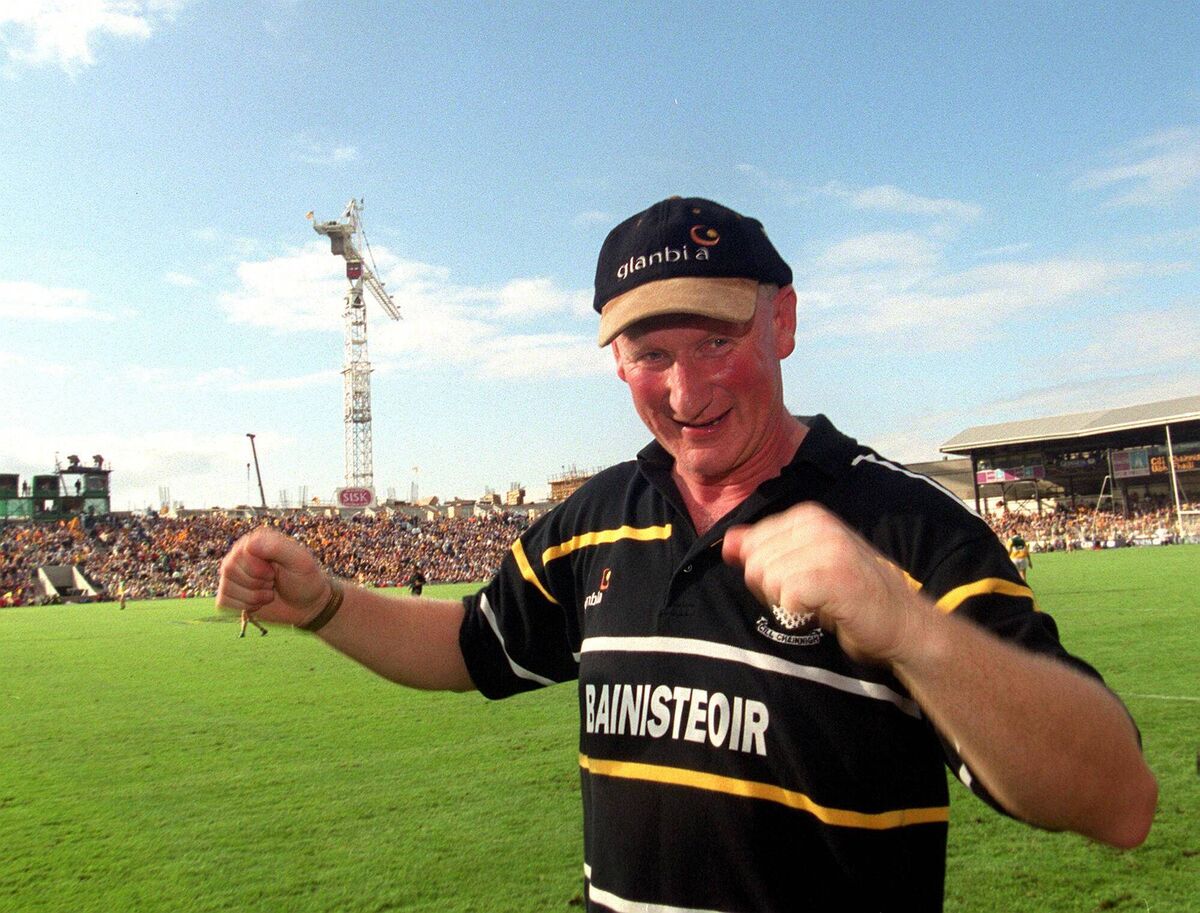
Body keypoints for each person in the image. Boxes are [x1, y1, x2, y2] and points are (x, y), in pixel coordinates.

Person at [217, 197, 1156, 911]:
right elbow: (471, 644)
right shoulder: (597, 518)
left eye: (718, 339)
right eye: (649, 352)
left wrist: (909, 628)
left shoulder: (911, 527)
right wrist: (327, 602)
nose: (685, 388)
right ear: (615, 360)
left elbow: (1119, 800)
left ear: (783, 322)